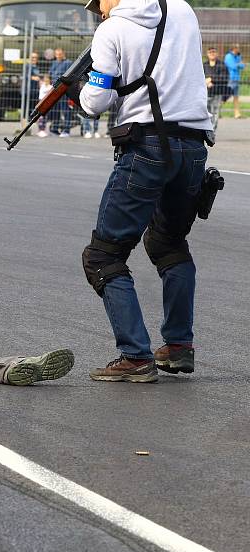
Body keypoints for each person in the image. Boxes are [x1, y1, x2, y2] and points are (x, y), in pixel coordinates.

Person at [75, 0, 213, 382]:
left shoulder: (112, 30)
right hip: (194, 147)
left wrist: (82, 92)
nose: (98, 9)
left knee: (103, 257)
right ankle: (179, 347)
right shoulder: (182, 10)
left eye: (99, 2)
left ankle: (135, 356)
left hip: (147, 146)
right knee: (169, 244)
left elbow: (97, 101)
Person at [203, 47, 228, 130]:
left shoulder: (222, 65)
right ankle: (206, 129)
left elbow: (224, 78)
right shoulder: (204, 65)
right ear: (207, 54)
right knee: (206, 113)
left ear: (216, 53)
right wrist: (205, 82)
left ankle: (212, 130)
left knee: (215, 112)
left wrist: (211, 80)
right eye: (210, 52)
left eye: (214, 52)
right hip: (205, 93)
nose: (212, 53)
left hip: (217, 93)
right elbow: (199, 77)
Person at [49, 48, 72, 136]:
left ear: (63, 54)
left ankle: (66, 130)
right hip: (55, 89)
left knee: (65, 110)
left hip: (64, 90)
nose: (58, 56)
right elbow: (51, 74)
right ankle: (54, 128)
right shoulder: (54, 63)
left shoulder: (68, 63)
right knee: (56, 110)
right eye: (57, 54)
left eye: (60, 54)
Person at [223, 44, 244, 119]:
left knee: (236, 97)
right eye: (238, 47)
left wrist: (239, 64)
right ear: (234, 48)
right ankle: (217, 110)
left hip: (237, 79)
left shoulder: (238, 56)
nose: (239, 49)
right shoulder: (228, 56)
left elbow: (242, 66)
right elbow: (233, 66)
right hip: (230, 78)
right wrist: (239, 64)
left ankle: (237, 113)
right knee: (226, 96)